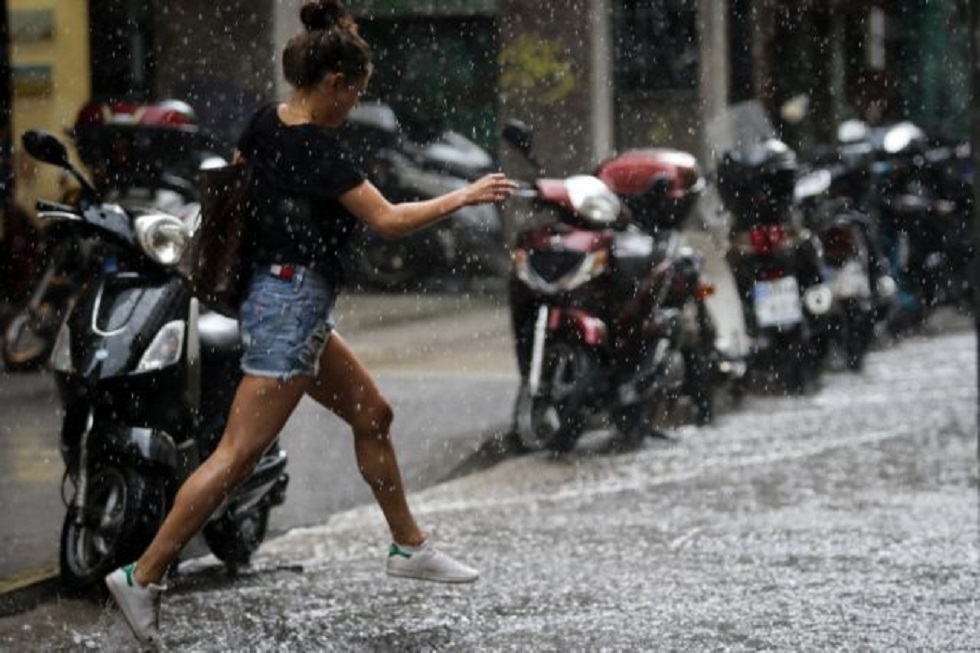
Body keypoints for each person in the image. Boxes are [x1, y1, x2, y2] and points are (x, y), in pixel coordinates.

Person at [104, 1, 516, 648]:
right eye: (354, 93)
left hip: (286, 301)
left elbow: (237, 186)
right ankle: (143, 573)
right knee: (236, 456)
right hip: (288, 308)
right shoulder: (318, 147)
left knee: (373, 414)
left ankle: (408, 545)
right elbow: (388, 219)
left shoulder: (266, 122)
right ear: (333, 84)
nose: (354, 104)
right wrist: (464, 195)